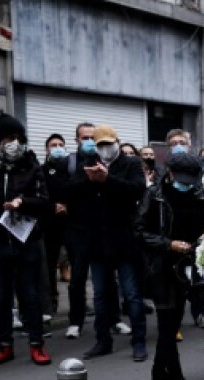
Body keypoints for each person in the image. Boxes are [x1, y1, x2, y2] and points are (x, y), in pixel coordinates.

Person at [0, 113, 51, 366]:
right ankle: (4, 345)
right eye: (8, 137)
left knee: (30, 294)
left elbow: (43, 201)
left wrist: (21, 202)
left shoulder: (30, 163)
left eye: (17, 138)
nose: (13, 143)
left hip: (26, 240)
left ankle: (37, 344)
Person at [65, 124, 149, 360]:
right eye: (100, 144)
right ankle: (103, 340)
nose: (104, 148)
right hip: (96, 241)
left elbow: (137, 189)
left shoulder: (130, 163)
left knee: (131, 294)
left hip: (124, 240)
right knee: (100, 294)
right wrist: (92, 180)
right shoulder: (88, 162)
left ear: (117, 142)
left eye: (108, 144)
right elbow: (71, 192)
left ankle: (139, 342)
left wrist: (107, 179)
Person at [135, 152, 204, 380]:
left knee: (175, 319)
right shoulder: (154, 195)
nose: (186, 185)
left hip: (190, 265)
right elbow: (139, 231)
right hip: (161, 266)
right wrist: (169, 244)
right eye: (182, 179)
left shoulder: (199, 193)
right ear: (169, 174)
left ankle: (159, 369)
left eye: (191, 180)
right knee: (168, 322)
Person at [60, 121, 98, 340]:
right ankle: (76, 321)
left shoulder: (103, 160)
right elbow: (61, 190)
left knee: (105, 278)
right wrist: (87, 180)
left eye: (93, 137)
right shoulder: (70, 163)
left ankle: (112, 319)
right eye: (85, 138)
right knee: (78, 278)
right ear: (77, 140)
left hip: (99, 228)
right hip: (76, 229)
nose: (90, 142)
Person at [40, 133, 72, 317]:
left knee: (76, 263)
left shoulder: (71, 169)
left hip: (69, 222)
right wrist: (53, 206)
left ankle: (79, 303)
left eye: (61, 144)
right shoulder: (41, 170)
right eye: (53, 144)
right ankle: (51, 300)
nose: (58, 147)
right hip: (49, 223)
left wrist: (68, 206)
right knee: (49, 265)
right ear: (47, 148)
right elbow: (39, 195)